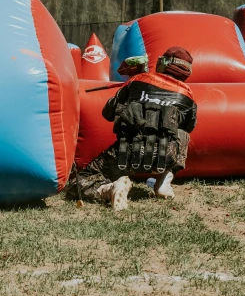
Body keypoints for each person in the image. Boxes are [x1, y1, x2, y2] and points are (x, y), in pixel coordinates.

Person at [71, 47, 197, 211]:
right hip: (166, 156)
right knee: (182, 134)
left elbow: (108, 113)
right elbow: (188, 128)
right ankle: (164, 180)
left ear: (163, 63)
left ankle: (108, 190)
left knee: (79, 181)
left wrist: (132, 83)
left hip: (126, 154)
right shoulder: (188, 97)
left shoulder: (138, 80)